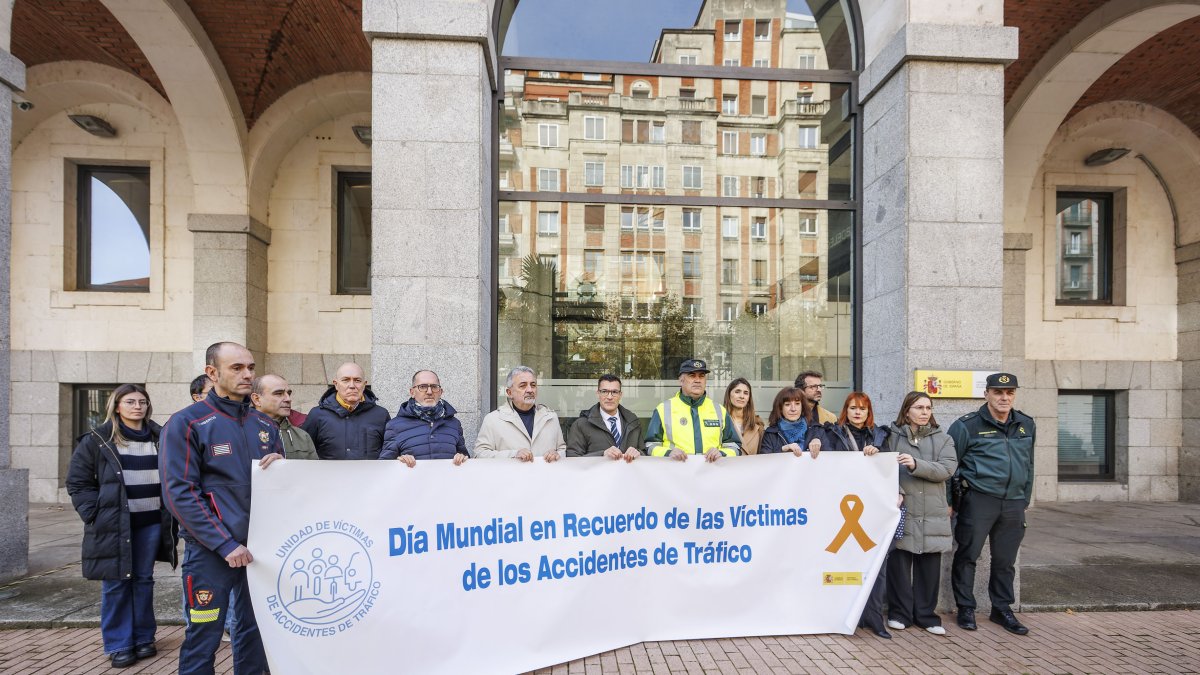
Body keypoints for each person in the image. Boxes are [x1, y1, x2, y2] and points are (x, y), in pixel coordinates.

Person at [160, 342, 284, 675]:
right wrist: (225, 543)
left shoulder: (266, 426)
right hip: (210, 554)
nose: (247, 374)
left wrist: (283, 471)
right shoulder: (187, 423)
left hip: (259, 554)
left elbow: (277, 492)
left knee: (254, 633)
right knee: (204, 636)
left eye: (251, 367)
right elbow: (179, 493)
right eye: (237, 368)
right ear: (212, 373)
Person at [66, 384, 177, 668]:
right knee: (116, 583)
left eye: (142, 401)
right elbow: (78, 482)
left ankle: (143, 638)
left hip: (151, 522)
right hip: (116, 525)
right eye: (130, 401)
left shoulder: (160, 436)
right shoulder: (98, 439)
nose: (137, 406)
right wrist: (94, 513)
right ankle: (119, 644)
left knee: (143, 580)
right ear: (117, 406)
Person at [949, 372, 1036, 636]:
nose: (1004, 397)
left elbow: (1029, 464)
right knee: (967, 555)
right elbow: (951, 466)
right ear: (986, 393)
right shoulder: (967, 425)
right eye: (998, 392)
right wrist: (952, 502)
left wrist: (1024, 497)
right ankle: (965, 607)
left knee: (1005, 561)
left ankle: (1001, 609)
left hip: (1013, 502)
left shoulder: (1026, 424)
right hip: (979, 500)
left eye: (1009, 393)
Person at [809, 392, 894, 639]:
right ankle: (840, 614)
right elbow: (820, 462)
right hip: (839, 507)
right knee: (840, 562)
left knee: (875, 564)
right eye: (853, 408)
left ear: (869, 413)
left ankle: (874, 618)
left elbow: (889, 471)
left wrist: (877, 453)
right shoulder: (831, 432)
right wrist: (814, 442)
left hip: (870, 508)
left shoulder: (880, 436)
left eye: (863, 409)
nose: (858, 413)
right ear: (846, 410)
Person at [884, 392, 957, 636]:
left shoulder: (944, 439)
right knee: (899, 563)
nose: (925, 412)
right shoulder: (891, 437)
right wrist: (898, 489)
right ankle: (899, 613)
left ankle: (927, 616)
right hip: (904, 509)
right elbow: (882, 471)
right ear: (907, 411)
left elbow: (947, 469)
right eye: (919, 407)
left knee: (929, 565)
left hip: (932, 512)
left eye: (928, 407)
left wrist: (916, 465)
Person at [645, 359, 740, 461]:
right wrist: (669, 453)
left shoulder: (719, 410)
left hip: (711, 474)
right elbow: (650, 446)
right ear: (681, 381)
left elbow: (735, 446)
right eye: (692, 375)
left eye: (701, 376)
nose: (698, 380)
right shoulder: (663, 409)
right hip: (675, 473)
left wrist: (721, 453)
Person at [380, 370, 469, 466]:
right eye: (422, 387)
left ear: (441, 392)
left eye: (434, 387)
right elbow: (384, 466)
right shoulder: (394, 426)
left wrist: (462, 458)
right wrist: (399, 461)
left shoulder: (454, 424)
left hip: (446, 480)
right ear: (412, 392)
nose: (429, 392)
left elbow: (466, 459)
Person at [302, 362, 390, 460]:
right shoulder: (317, 415)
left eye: (357, 380)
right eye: (346, 380)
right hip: (329, 475)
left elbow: (390, 452)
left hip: (368, 475)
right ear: (336, 384)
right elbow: (303, 452)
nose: (352, 385)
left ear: (364, 384)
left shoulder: (381, 415)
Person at [475, 366, 564, 461]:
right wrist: (513, 454)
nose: (530, 390)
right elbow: (479, 454)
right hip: (510, 475)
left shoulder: (550, 417)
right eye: (523, 386)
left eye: (533, 385)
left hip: (545, 475)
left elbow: (562, 449)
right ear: (509, 393)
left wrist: (557, 454)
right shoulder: (493, 419)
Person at [566, 374, 643, 461]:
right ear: (598, 394)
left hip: (627, 474)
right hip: (597, 475)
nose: (609, 397)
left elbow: (645, 454)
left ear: (620, 395)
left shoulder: (633, 422)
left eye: (614, 392)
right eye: (604, 391)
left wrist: (638, 453)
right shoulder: (581, 424)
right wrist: (602, 454)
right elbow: (572, 459)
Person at [251, 374, 317, 460]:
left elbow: (313, 472)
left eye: (288, 393)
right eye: (278, 394)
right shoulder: (242, 432)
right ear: (257, 399)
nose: (288, 399)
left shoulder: (302, 436)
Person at [757, 387, 821, 456]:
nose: (793, 409)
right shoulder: (771, 434)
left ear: (802, 407)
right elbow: (765, 461)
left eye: (797, 404)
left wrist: (819, 442)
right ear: (780, 408)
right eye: (787, 404)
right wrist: (782, 449)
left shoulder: (816, 429)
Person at [724, 378, 765, 455]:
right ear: (729, 394)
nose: (742, 396)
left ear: (749, 398)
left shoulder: (757, 423)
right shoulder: (721, 421)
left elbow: (765, 453)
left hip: (751, 466)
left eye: (746, 393)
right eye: (737, 392)